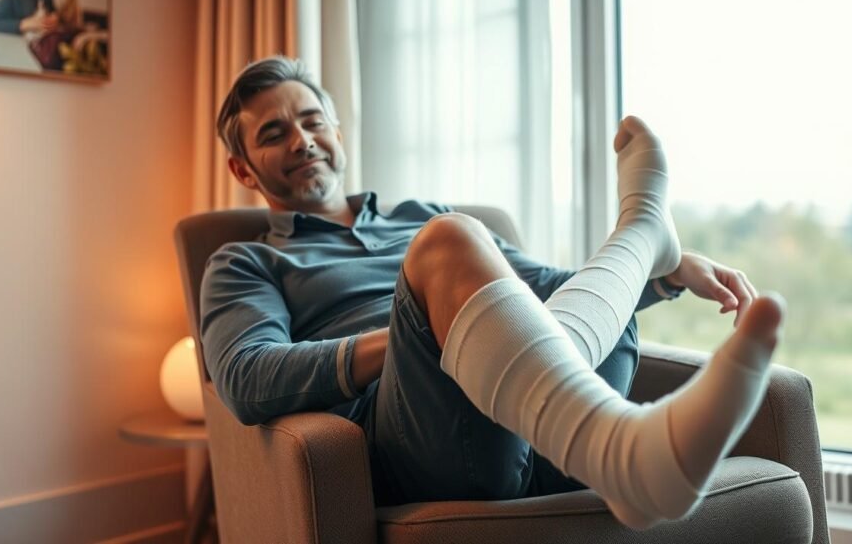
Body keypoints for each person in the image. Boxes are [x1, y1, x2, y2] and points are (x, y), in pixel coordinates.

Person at [201, 56, 785, 529]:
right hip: (427, 441)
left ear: (336, 129)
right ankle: (640, 233)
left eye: (312, 120)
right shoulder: (247, 262)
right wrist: (425, 335)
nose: (302, 141)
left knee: (528, 281)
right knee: (450, 241)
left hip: (541, 438)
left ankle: (618, 449)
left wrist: (667, 275)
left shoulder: (415, 215)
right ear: (243, 169)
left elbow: (554, 288)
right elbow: (249, 376)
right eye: (274, 134)